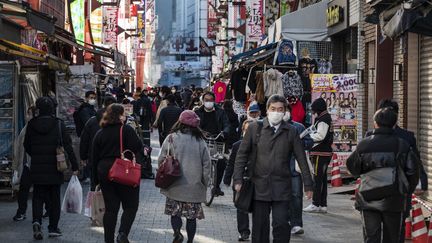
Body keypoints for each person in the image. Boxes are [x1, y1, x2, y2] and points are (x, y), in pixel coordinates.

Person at [233, 94, 314, 243]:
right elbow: (241, 155)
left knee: (282, 224)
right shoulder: (254, 128)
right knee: (260, 227)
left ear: (284, 112)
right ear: (267, 110)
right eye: (273, 109)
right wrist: (237, 179)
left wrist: (308, 185)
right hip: (259, 187)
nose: (276, 112)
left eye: (280, 109)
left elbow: (301, 158)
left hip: (282, 187)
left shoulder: (291, 131)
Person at [346, 107, 419, 243]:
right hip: (394, 199)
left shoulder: (364, 145)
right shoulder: (402, 145)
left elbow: (353, 168)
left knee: (371, 237)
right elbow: (413, 171)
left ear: (375, 123)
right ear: (394, 124)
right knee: (392, 237)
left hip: (368, 197)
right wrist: (405, 190)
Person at [24, 97, 79, 240]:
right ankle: (53, 228)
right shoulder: (59, 124)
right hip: (56, 167)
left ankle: (37, 222)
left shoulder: (31, 125)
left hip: (37, 167)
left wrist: (36, 155)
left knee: (38, 196)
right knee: (54, 199)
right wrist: (75, 165)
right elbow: (68, 146)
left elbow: (26, 145)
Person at [92, 104, 143, 243]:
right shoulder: (126, 130)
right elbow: (138, 146)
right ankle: (122, 234)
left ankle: (108, 240)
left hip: (104, 172)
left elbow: (94, 157)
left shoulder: (100, 132)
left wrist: (94, 181)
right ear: (120, 115)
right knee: (131, 206)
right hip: (124, 171)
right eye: (124, 114)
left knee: (110, 209)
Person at [158, 110, 211, 243]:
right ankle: (190, 240)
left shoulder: (171, 138)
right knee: (191, 217)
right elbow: (207, 165)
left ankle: (177, 233)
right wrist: (204, 183)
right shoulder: (200, 141)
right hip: (193, 187)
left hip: (174, 185)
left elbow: (161, 159)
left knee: (175, 213)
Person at [12, 106, 49, 221]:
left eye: (29, 114)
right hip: (27, 166)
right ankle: (21, 211)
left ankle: (48, 209)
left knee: (42, 190)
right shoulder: (25, 129)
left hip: (38, 165)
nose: (27, 116)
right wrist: (17, 166)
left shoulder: (37, 129)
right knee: (23, 189)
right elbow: (19, 148)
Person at [283, 104, 314, 235]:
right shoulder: (273, 128)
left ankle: (296, 223)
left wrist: (299, 143)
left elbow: (310, 142)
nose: (283, 113)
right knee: (282, 198)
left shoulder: (298, 127)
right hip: (279, 169)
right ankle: (285, 222)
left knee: (296, 196)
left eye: (285, 110)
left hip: (295, 168)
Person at [195, 91, 230, 196]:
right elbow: (194, 125)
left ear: (214, 101)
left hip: (217, 140)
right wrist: (199, 132)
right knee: (198, 162)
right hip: (202, 140)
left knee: (221, 162)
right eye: (206, 100)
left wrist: (224, 132)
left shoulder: (221, 112)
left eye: (211, 100)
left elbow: (227, 124)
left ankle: (216, 186)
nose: (208, 102)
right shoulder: (198, 112)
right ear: (203, 101)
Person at [224, 120, 253, 241]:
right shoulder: (237, 145)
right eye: (246, 130)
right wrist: (227, 178)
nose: (248, 132)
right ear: (242, 131)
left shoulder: (261, 146)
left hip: (255, 180)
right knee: (240, 207)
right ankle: (244, 231)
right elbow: (231, 164)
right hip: (240, 180)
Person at [80, 96, 117, 189]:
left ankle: (96, 202)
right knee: (112, 188)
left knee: (95, 185)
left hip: (94, 158)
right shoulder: (120, 123)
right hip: (115, 160)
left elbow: (84, 140)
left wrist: (83, 156)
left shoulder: (92, 121)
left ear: (103, 104)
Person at [303, 98, 333, 213]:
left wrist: (308, 137)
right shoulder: (325, 118)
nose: (313, 112)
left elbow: (320, 136)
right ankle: (322, 205)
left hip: (321, 153)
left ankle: (315, 204)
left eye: (314, 110)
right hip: (324, 153)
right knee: (322, 179)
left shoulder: (323, 119)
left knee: (317, 179)